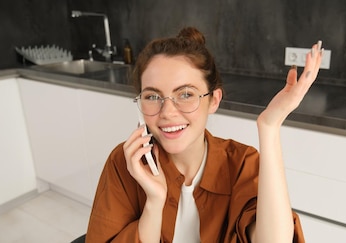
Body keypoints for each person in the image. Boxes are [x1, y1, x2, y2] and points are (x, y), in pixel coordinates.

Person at [86, 26, 323, 243]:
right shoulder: (124, 163)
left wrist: (270, 127)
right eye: (152, 96)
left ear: (213, 101)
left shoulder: (241, 163)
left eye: (186, 94)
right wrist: (154, 203)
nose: (167, 112)